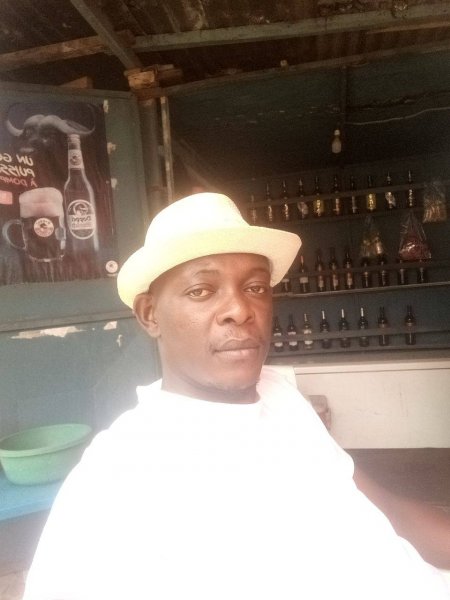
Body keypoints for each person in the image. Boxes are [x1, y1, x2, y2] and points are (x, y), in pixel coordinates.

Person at [24, 192, 450, 600]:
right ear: (150, 314)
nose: (241, 310)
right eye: (201, 291)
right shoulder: (118, 474)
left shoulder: (281, 396)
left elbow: (386, 510)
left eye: (256, 287)